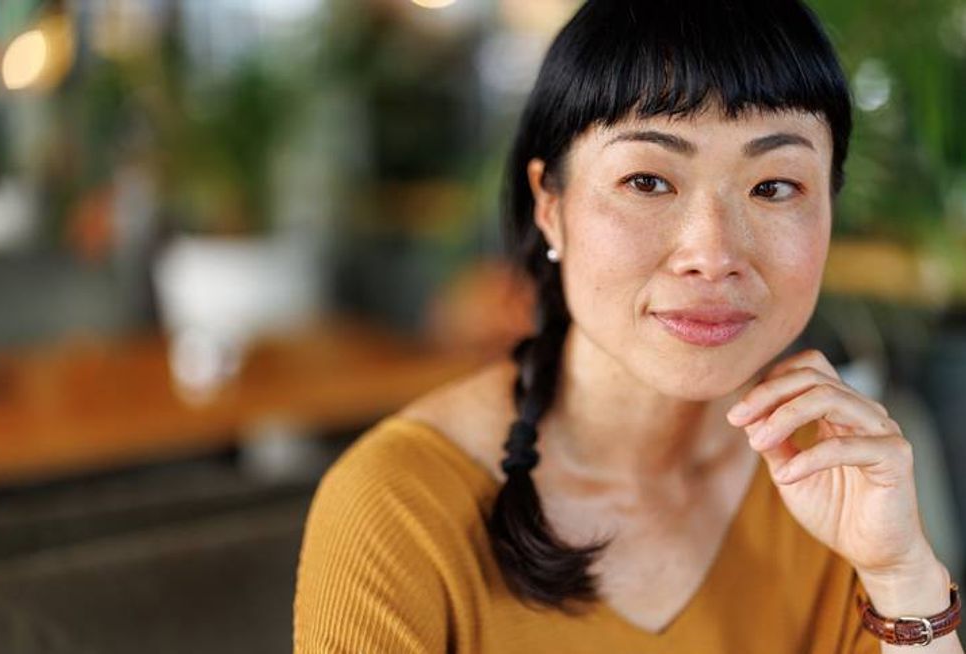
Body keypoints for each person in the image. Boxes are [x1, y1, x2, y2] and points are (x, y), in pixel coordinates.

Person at [294, 1, 963, 652]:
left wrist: (901, 578)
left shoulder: (828, 482)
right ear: (550, 207)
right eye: (647, 181)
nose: (714, 254)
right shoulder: (395, 506)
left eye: (774, 187)